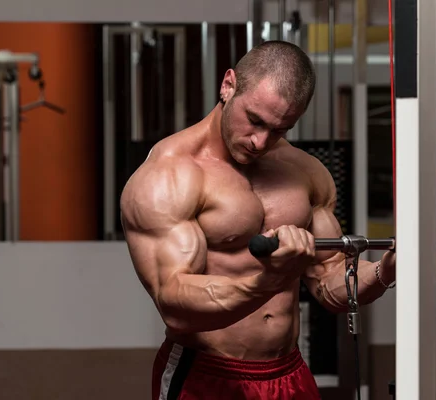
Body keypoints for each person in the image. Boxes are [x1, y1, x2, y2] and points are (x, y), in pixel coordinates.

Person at [120, 41, 396, 400]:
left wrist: (386, 272)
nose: (260, 141)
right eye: (254, 120)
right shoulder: (168, 176)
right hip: (208, 375)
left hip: (290, 372)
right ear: (228, 85)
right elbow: (175, 307)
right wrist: (270, 279)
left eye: (280, 130)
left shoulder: (306, 172)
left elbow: (330, 285)